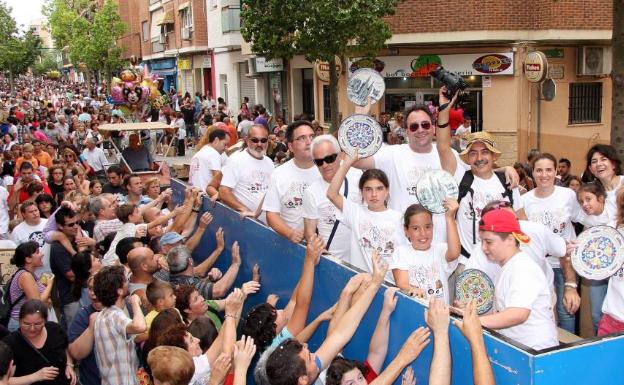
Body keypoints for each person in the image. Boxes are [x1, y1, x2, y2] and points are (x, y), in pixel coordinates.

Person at [256, 253, 389, 385]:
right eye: (309, 357)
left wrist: (370, 287)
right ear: (302, 380)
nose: (311, 349)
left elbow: (339, 335)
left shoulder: (306, 371)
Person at [467, 209, 558, 350]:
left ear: (510, 239)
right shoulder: (508, 266)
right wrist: (469, 313)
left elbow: (518, 314)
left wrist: (474, 322)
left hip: (536, 349)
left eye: (489, 242)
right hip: (521, 347)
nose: (483, 248)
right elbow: (504, 310)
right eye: (482, 242)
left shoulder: (522, 268)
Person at [517, 153, 581, 334]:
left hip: (565, 264)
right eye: (539, 170)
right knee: (544, 311)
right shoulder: (524, 201)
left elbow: (583, 217)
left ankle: (568, 351)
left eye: (548, 170)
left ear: (556, 172)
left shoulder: (568, 195)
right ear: (533, 173)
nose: (544, 175)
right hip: (538, 266)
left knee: (567, 310)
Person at [327, 152, 404, 274]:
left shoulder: (400, 219)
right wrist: (347, 163)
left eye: (379, 188)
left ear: (387, 190)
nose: (374, 195)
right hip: (359, 283)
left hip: (388, 284)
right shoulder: (355, 212)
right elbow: (331, 194)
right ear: (361, 192)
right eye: (368, 189)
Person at [303, 135, 361, 260]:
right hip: (333, 261)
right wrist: (320, 252)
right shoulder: (311, 192)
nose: (324, 165)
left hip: (361, 260)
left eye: (329, 158)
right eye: (318, 161)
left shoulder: (357, 177)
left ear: (340, 155)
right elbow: (309, 231)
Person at [391, 201, 460, 303]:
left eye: (427, 227)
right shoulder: (401, 252)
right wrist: (413, 290)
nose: (423, 233)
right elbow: (401, 282)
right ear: (406, 230)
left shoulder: (440, 250)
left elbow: (454, 253)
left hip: (439, 315)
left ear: (433, 227)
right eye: (415, 228)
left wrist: (450, 218)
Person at [263, 121, 321, 242]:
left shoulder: (327, 169)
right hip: (293, 246)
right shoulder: (278, 174)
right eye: (302, 138)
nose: (309, 142)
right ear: (290, 146)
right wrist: (290, 233)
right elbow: (271, 215)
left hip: (326, 248)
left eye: (312, 137)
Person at [93, 266, 146, 385]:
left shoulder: (102, 316)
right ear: (119, 290)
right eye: (126, 280)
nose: (129, 282)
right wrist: (135, 302)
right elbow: (140, 327)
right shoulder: (114, 315)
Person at [4, 299, 76, 385]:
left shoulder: (55, 329)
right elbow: (3, 381)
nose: (32, 328)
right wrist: (35, 377)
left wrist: (69, 365)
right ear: (19, 321)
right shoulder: (9, 343)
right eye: (26, 324)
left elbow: (65, 348)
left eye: (38, 324)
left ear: (45, 321)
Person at [219, 124, 275, 220]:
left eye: (263, 140)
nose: (259, 144)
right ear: (246, 140)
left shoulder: (269, 162)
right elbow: (224, 192)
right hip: (245, 221)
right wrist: (244, 209)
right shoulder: (236, 160)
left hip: (266, 223)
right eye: (255, 140)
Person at [6, 242, 54, 331]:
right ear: (28, 259)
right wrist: (50, 285)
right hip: (22, 325)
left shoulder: (30, 274)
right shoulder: (25, 276)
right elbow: (36, 303)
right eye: (37, 252)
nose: (42, 254)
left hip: (28, 324)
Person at [67, 276, 102, 385]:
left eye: (98, 289)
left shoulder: (126, 308)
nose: (93, 293)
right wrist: (91, 327)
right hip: (93, 380)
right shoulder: (83, 315)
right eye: (90, 288)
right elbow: (76, 353)